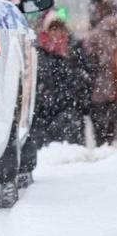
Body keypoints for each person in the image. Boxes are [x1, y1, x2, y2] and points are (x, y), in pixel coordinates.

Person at [31, 16, 91, 147]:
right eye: (53, 28)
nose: (57, 32)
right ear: (47, 31)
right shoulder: (37, 53)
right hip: (43, 114)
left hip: (69, 112)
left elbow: (82, 78)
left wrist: (81, 103)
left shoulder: (75, 50)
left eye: (60, 28)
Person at [84, 14, 117, 146]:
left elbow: (87, 59)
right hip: (108, 89)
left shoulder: (95, 36)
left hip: (100, 90)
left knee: (101, 128)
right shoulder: (101, 37)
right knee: (109, 127)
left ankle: (103, 145)